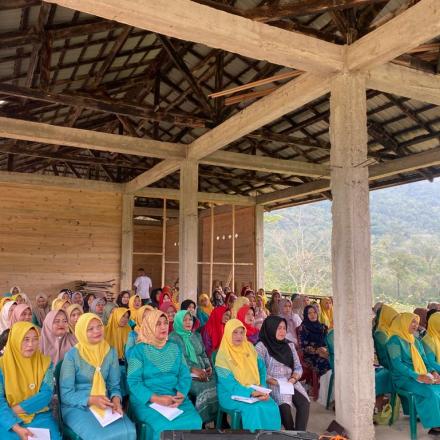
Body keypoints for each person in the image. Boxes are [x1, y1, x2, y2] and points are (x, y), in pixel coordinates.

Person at [127, 309, 202, 440]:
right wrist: (156, 398)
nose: (163, 327)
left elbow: (184, 375)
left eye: (165, 323)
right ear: (149, 326)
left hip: (175, 399)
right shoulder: (138, 350)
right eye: (158, 324)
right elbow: (133, 382)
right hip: (147, 400)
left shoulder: (174, 347)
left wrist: (181, 394)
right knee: (164, 427)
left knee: (196, 422)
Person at [60, 313, 136, 439]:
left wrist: (116, 400)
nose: (97, 331)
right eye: (90, 329)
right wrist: (92, 400)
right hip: (77, 405)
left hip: (105, 402)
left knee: (130, 431)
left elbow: (114, 385)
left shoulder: (110, 351)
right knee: (100, 436)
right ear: (81, 332)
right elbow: (66, 394)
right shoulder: (72, 356)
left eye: (99, 326)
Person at [215, 319, 281, 431]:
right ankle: (254, 436)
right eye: (235, 332)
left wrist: (262, 387)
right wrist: (252, 393)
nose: (239, 336)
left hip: (255, 389)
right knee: (253, 409)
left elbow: (261, 368)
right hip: (230, 394)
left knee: (272, 406)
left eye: (241, 332)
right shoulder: (222, 357)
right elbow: (230, 386)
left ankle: (271, 437)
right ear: (227, 333)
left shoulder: (249, 347)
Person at [0, 322, 61, 440]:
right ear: (15, 340)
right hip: (7, 419)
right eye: (25, 339)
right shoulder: (2, 366)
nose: (30, 344)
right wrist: (16, 427)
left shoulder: (45, 363)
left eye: (35, 339)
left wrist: (14, 409)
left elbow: (46, 394)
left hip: (39, 414)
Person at [386, 312, 440, 435]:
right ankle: (436, 425)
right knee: (430, 391)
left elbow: (425, 361)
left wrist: (433, 372)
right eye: (412, 321)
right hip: (403, 378)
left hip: (420, 375)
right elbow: (397, 364)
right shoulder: (394, 341)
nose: (416, 325)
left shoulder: (415, 341)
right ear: (403, 323)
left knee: (437, 387)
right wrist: (418, 376)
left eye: (417, 322)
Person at [256, 315, 310, 431]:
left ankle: (299, 434)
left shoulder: (289, 345)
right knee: (285, 408)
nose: (282, 331)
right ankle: (291, 432)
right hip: (272, 383)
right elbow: (259, 372)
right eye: (278, 328)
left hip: (290, 382)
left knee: (304, 403)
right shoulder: (261, 347)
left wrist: (293, 379)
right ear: (271, 328)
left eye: (284, 328)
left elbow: (298, 367)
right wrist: (276, 382)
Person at [169, 311, 218, 424]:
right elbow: (176, 360)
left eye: (190, 319)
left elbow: (203, 353)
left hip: (203, 371)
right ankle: (202, 421)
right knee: (203, 389)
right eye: (184, 320)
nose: (188, 322)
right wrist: (192, 369)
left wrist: (208, 366)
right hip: (185, 375)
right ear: (178, 321)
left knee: (218, 383)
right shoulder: (173, 338)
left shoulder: (196, 335)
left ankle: (216, 418)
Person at [298, 305, 330, 376]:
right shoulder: (303, 328)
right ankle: (325, 385)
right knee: (326, 363)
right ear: (306, 315)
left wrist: (325, 350)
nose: (313, 315)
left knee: (337, 361)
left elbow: (328, 342)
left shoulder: (323, 327)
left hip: (325, 353)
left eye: (315, 312)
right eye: (309, 313)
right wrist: (318, 351)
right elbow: (303, 347)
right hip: (311, 356)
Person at [374, 304, 398, 369]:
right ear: (386, 317)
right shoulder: (380, 333)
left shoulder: (389, 331)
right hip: (387, 365)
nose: (395, 321)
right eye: (393, 318)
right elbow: (391, 351)